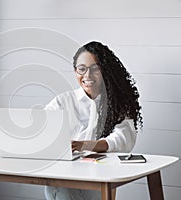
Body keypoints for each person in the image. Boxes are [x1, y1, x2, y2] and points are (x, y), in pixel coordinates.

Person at [44, 41, 143, 200]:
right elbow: (42, 128)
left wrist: (85, 145)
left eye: (95, 69)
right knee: (59, 186)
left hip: (97, 178)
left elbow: (124, 139)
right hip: (63, 174)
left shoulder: (117, 103)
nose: (87, 75)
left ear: (105, 70)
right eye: (81, 69)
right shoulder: (63, 102)